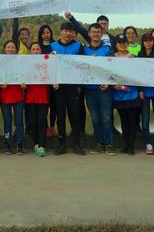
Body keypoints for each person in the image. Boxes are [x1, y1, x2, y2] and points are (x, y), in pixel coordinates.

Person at [50, 22, 85, 155]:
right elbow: (48, 66)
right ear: (61, 31)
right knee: (60, 116)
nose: (68, 33)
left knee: (75, 116)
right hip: (58, 88)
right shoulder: (53, 46)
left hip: (73, 88)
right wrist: (52, 82)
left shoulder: (78, 46)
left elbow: (83, 66)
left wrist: (80, 86)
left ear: (74, 33)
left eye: (71, 31)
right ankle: (62, 144)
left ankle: (76, 144)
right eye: (66, 30)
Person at [80, 23, 114, 155]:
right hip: (90, 90)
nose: (95, 34)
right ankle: (99, 143)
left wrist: (108, 83)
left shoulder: (107, 49)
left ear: (101, 33)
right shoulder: (84, 50)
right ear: (89, 33)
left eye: (98, 32)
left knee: (106, 118)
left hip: (104, 90)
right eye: (93, 32)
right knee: (95, 118)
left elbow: (113, 68)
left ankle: (109, 144)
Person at [112, 34, 141, 155]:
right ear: (116, 44)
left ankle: (131, 146)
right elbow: (108, 73)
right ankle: (126, 145)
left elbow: (138, 75)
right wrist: (113, 84)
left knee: (132, 121)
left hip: (132, 94)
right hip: (118, 95)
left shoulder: (133, 57)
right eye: (120, 43)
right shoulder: (111, 58)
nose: (122, 44)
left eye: (124, 42)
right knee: (123, 121)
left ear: (127, 43)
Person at [0, 40, 26, 155]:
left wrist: (24, 83)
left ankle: (20, 145)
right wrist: (0, 84)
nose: (10, 49)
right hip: (5, 96)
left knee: (19, 122)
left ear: (16, 50)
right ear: (4, 49)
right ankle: (8, 145)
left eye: (13, 47)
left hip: (18, 96)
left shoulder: (20, 63)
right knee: (7, 122)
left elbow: (26, 76)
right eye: (8, 47)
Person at [26, 42, 50, 157]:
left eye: (37, 49)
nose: (36, 51)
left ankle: (42, 145)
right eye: (33, 49)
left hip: (43, 96)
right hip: (30, 97)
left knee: (42, 122)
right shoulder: (26, 64)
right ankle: (36, 144)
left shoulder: (47, 62)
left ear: (41, 51)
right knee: (33, 122)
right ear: (30, 51)